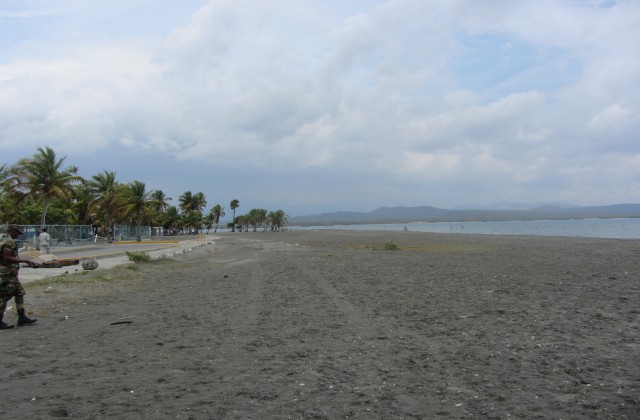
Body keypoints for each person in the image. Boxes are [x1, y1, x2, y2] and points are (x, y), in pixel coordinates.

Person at [0, 225, 37, 329]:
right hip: (7, 274)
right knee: (4, 296)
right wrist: (25, 261)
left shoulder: (2, 239)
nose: (18, 235)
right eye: (17, 233)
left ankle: (22, 317)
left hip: (10, 273)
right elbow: (6, 257)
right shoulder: (9, 242)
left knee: (19, 293)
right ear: (12, 231)